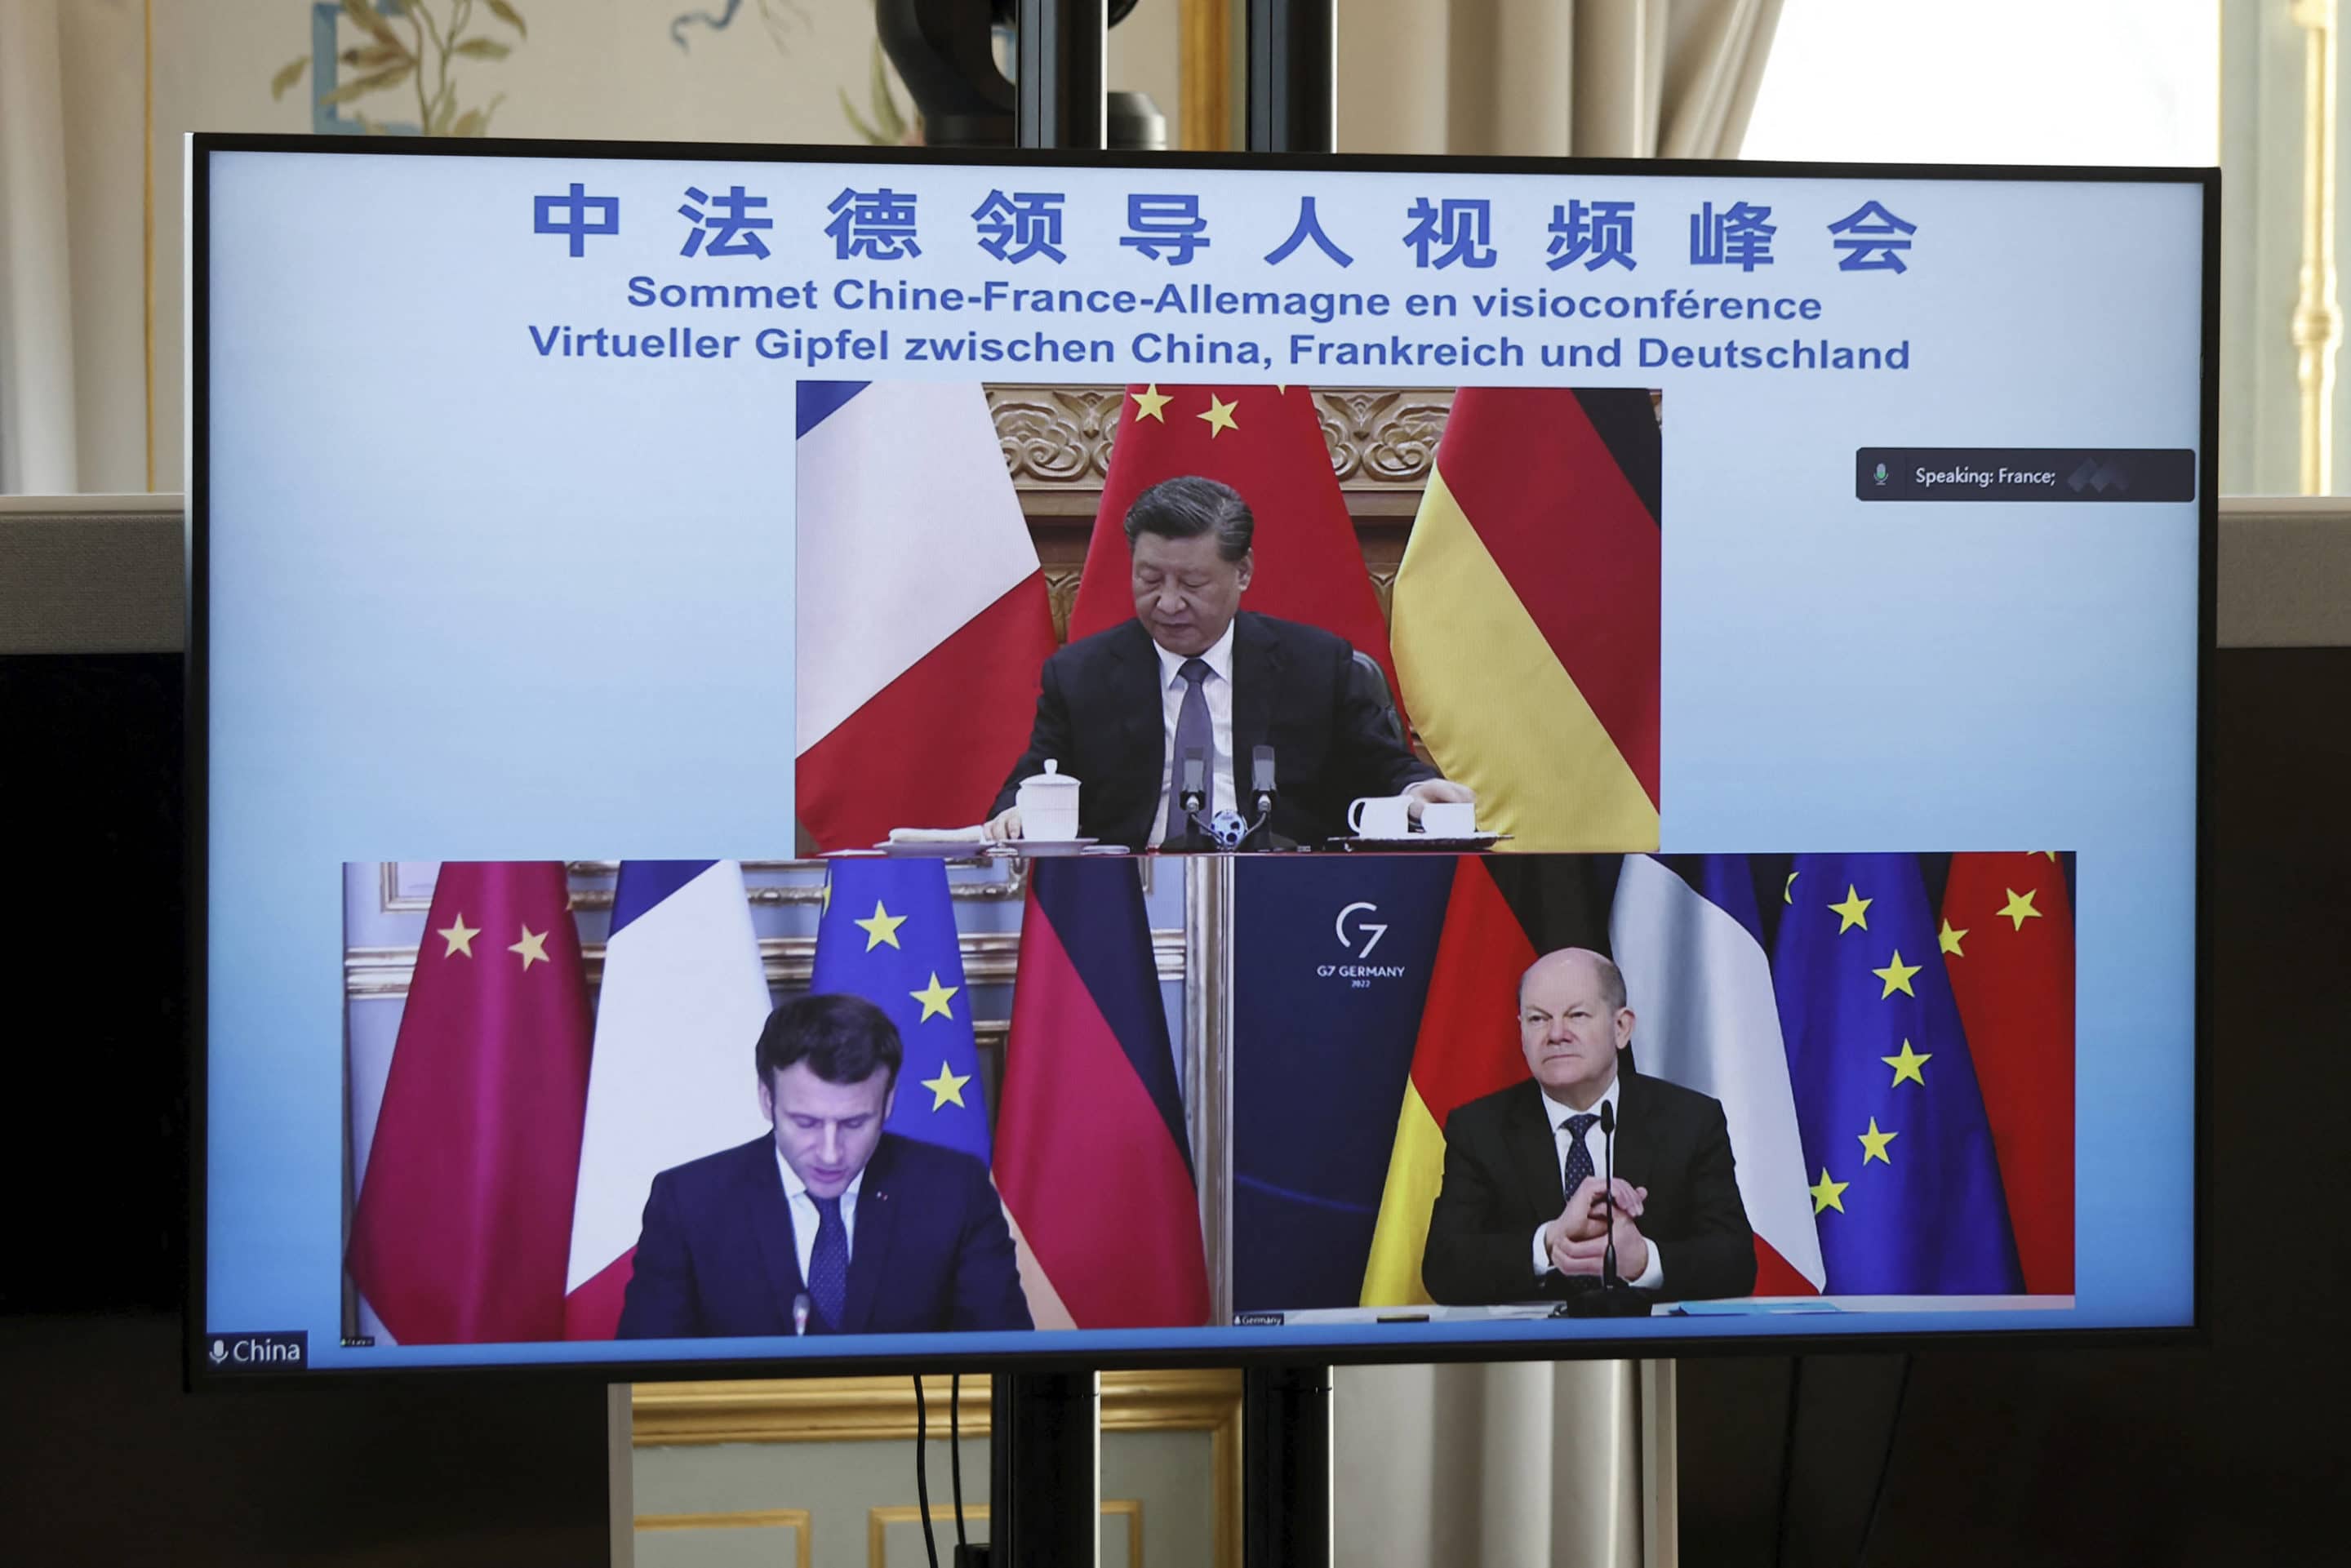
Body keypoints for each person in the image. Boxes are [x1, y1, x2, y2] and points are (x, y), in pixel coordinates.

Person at [983, 474, 1473, 848]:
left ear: (1242, 572)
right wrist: (1015, 813)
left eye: (1192, 585)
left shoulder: (1317, 665)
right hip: (1129, 901)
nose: (1169, 603)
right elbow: (1035, 778)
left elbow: (1382, 767)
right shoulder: (1080, 673)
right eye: (1150, 580)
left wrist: (1417, 789)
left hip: (1289, 894)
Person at [616, 993, 1033, 1338]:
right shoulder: (690, 1203)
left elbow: (1007, 1362)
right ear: (767, 1100)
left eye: (854, 1123)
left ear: (887, 1103)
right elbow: (641, 1381)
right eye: (806, 1123)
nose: (831, 1153)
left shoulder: (955, 1193)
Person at [1421, 948, 1756, 1305]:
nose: (1556, 1034)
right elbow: (1444, 1269)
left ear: (1621, 1027)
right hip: (1527, 1352)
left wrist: (1644, 1261)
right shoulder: (1479, 1129)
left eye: (1577, 1015)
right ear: (1520, 1031)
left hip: (1655, 1349)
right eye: (1538, 1019)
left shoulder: (1690, 1121)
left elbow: (1735, 1262)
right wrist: (1550, 1241)